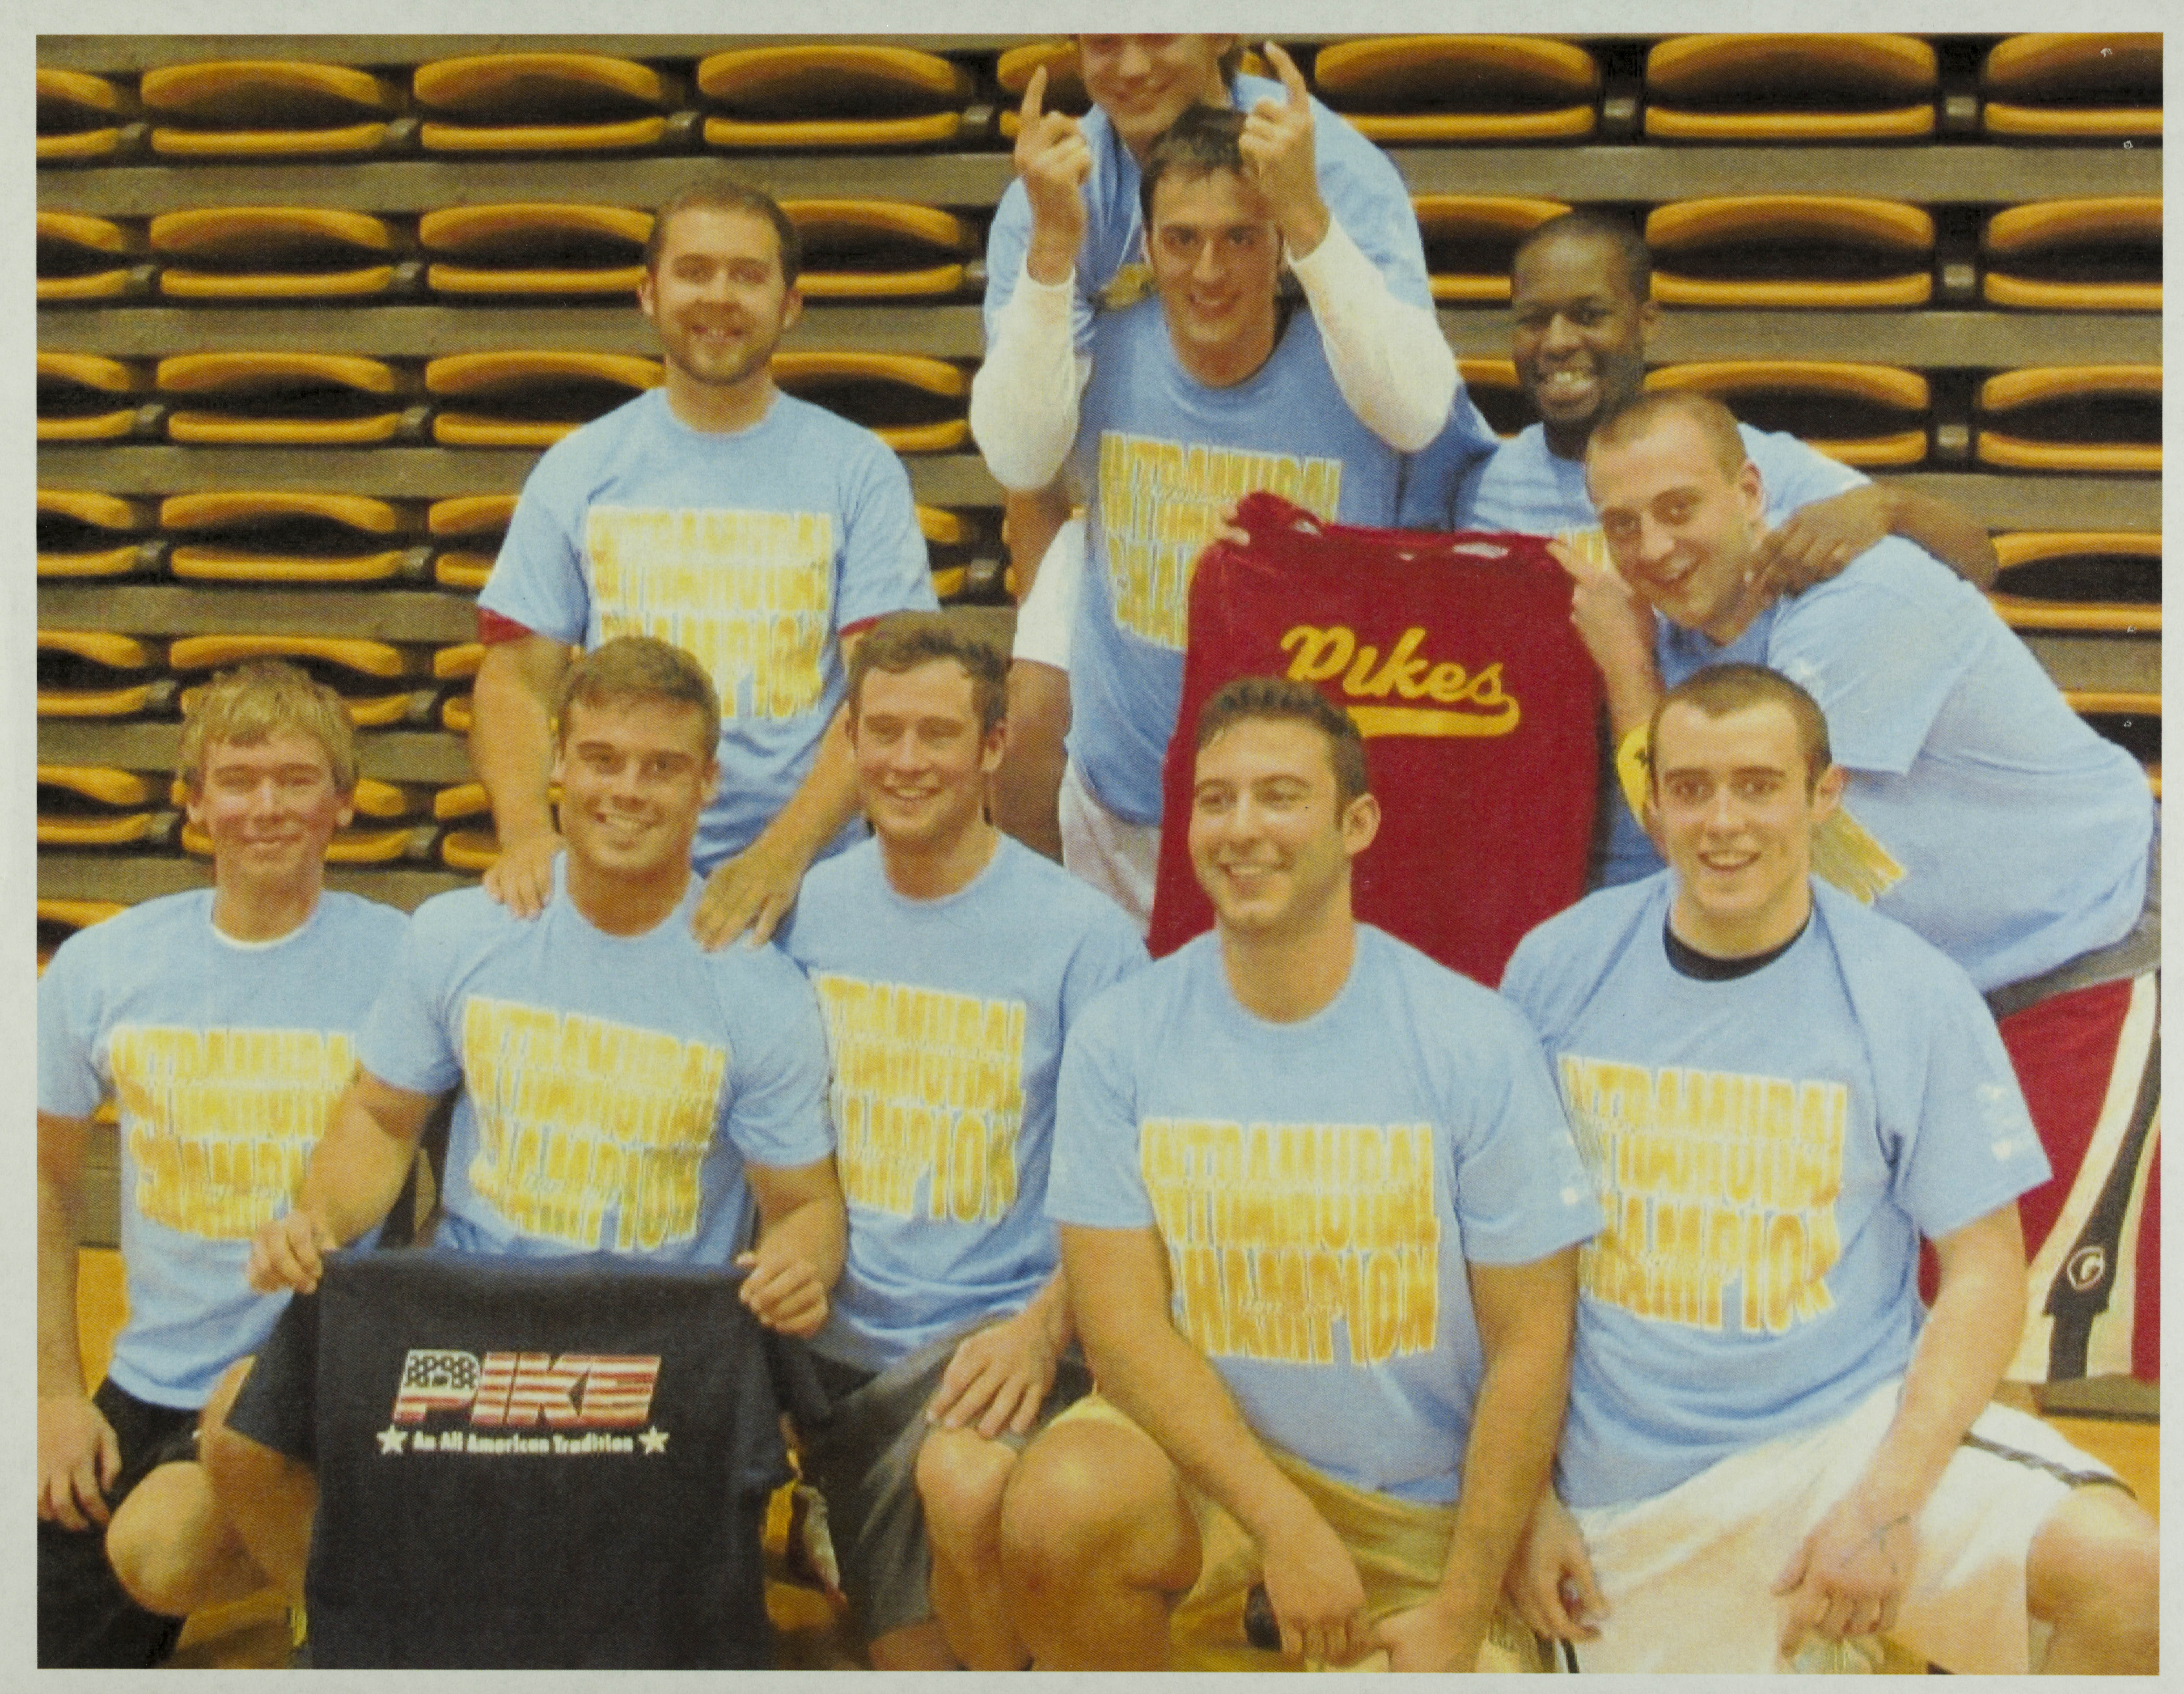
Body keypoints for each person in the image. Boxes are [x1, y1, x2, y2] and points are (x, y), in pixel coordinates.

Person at [1498, 665, 2158, 1673]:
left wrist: (1888, 1505)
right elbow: (1497, 1254)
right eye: (1692, 788)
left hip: (1842, 1442)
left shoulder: (1913, 993)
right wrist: (1520, 1498)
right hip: (1624, 1487)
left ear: (1824, 795)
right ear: (1655, 801)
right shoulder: (1556, 970)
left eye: (1759, 785)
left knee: (2130, 1580)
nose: (1724, 821)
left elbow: (1984, 1274)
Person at [203, 636, 846, 1617]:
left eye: (661, 766)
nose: (626, 789)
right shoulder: (466, 935)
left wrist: (801, 1261)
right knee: (236, 1435)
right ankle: (361, 1642)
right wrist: (317, 1220)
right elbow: (379, 1119)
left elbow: (803, 1206)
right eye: (601, 759)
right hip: (464, 1319)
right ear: (557, 762)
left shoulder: (755, 990)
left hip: (646, 1347)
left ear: (708, 782)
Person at [1000, 676, 1600, 1671]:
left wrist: (1461, 1602)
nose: (1243, 829)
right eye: (1217, 799)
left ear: (1356, 822)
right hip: (1216, 1486)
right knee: (1063, 1501)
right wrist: (1281, 1525)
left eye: (1281, 797)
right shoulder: (1125, 1036)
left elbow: (1532, 1342)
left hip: (1419, 1514)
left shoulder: (1472, 1039)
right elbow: (1122, 1328)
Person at [1570, 391, 2158, 1381]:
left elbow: (1727, 857)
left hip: (2082, 959)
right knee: (1949, 1354)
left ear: (1751, 491)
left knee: (2007, 1356)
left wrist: (1627, 667)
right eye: (1622, 526)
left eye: (1680, 511)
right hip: (1957, 998)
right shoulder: (1740, 547)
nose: (1654, 548)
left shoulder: (1857, 606)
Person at [982, 104, 1498, 926]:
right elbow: (1015, 455)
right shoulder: (1105, 351)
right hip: (1123, 820)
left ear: (1281, 245)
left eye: (1241, 238)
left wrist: (1310, 215)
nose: (1210, 269)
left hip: (1300, 833)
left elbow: (1426, 420)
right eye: (1183, 239)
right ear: (1147, 247)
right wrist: (1049, 250)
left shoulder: (1358, 370)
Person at [1415, 207, 2001, 886]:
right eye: (1533, 318)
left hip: (1691, 837)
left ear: (1646, 321)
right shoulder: (1484, 488)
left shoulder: (1748, 462)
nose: (1557, 341)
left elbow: (1978, 562)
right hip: (1549, 845)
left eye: (1589, 314)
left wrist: (1889, 506)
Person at [777, 613, 1147, 1668]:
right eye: (880, 732)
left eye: (936, 734)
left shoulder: (1087, 942)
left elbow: (1132, 1192)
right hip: (838, 1369)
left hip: (1003, 1349)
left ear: (993, 748)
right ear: (847, 744)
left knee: (969, 1481)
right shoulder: (799, 914)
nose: (904, 761)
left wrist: (1044, 1330)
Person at [37, 662, 407, 1665]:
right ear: (191, 801)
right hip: (152, 1383)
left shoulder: (407, 963)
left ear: (344, 802)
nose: (265, 806)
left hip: (321, 1387)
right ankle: (357, 1566)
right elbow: (39, 1178)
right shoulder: (103, 968)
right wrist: (54, 1398)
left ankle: (354, 1617)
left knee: (159, 1545)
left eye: (295, 780)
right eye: (237, 780)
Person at [470, 177, 937, 949]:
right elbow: (517, 680)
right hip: (622, 890)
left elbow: (884, 694)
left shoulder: (858, 471)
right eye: (694, 272)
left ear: (790, 304)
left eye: (748, 276)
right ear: (649, 294)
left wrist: (778, 858)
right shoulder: (581, 468)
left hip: (810, 893)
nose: (719, 296)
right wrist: (525, 834)